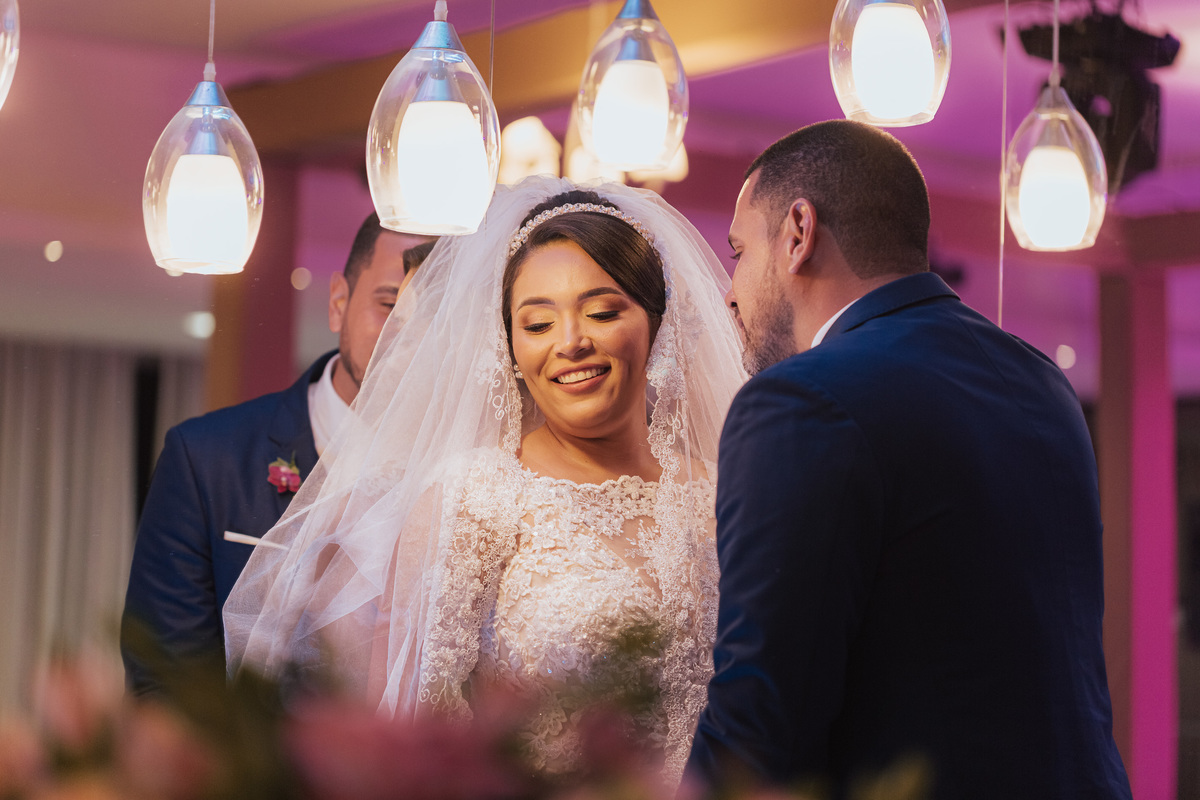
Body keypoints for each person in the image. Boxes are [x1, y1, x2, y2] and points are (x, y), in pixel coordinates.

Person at [224, 177, 747, 785]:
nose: (571, 343)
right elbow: (422, 723)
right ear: (510, 350)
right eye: (538, 324)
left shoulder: (722, 495)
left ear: (657, 322)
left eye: (603, 312)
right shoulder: (475, 498)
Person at [684, 120, 1131, 799]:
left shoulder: (800, 399)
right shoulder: (1042, 381)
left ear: (798, 233)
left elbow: (762, 716)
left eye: (739, 251)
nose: (730, 291)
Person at [121, 213, 433, 695]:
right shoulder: (207, 458)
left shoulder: (469, 477)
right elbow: (165, 677)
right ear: (338, 303)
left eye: (436, 315)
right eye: (389, 304)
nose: (408, 334)